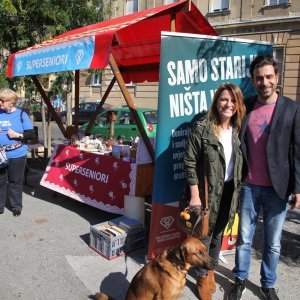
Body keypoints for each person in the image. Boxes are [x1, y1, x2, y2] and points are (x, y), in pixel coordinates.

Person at [228, 55, 300, 300]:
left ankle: (268, 284)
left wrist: (298, 187)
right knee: (244, 239)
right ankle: (239, 279)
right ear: (253, 80)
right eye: (259, 78)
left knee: (273, 243)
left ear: (277, 78)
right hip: (249, 186)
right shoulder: (246, 106)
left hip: (277, 188)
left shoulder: (292, 108)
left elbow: (297, 151)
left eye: (269, 77)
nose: (264, 82)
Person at [184, 83, 246, 300]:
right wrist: (195, 195)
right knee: (205, 237)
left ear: (238, 104)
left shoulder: (238, 129)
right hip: (207, 193)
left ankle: (210, 271)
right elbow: (189, 161)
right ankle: (201, 277)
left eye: (232, 101)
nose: (228, 104)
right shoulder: (203, 127)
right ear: (216, 102)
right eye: (223, 99)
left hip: (230, 191)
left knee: (218, 235)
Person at [0, 88, 35, 216]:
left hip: (17, 154)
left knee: (15, 181)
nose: (0, 103)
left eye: (2, 100)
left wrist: (17, 135)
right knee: (0, 180)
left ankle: (16, 207)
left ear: (11, 102)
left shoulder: (21, 114)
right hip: (1, 154)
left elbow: (31, 134)